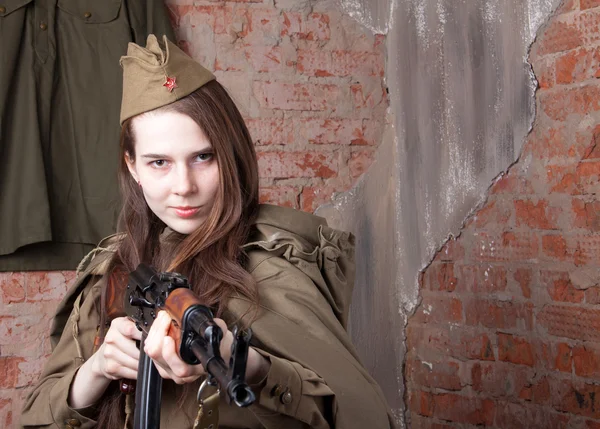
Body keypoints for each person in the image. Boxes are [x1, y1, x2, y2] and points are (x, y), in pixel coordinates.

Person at [19, 35, 395, 429]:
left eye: (203, 156)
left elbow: (362, 414)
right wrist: (97, 370)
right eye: (159, 162)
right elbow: (34, 415)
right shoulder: (114, 268)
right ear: (132, 167)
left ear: (230, 154)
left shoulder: (273, 267)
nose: (184, 185)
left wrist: (248, 365)